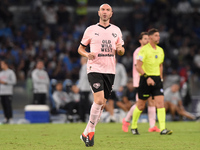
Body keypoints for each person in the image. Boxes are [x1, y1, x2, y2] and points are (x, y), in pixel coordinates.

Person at [78, 3, 125, 147]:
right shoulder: (91, 30)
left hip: (110, 70)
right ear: (99, 13)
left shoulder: (116, 30)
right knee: (98, 101)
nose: (105, 12)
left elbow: (122, 51)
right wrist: (87, 54)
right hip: (94, 68)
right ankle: (91, 132)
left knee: (102, 104)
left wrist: (120, 49)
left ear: (111, 14)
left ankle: (85, 133)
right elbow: (80, 48)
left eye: (108, 10)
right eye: (103, 10)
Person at [130, 28, 173, 135]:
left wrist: (161, 78)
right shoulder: (143, 50)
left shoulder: (160, 50)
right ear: (150, 37)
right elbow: (138, 66)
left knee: (160, 103)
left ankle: (163, 128)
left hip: (157, 79)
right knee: (140, 105)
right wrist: (146, 77)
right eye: (156, 35)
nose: (158, 37)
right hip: (145, 79)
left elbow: (160, 65)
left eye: (158, 35)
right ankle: (133, 126)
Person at [122, 32, 160, 132]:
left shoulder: (150, 51)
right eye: (145, 39)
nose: (147, 40)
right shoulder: (138, 51)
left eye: (148, 38)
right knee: (140, 104)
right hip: (140, 80)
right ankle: (126, 120)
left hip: (150, 80)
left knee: (152, 102)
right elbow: (137, 66)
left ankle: (152, 126)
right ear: (140, 40)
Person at [0, 60, 16, 124]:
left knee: (8, 105)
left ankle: (11, 118)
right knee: (4, 106)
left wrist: (5, 82)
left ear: (6, 64)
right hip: (1, 92)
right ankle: (6, 118)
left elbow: (14, 81)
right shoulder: (1, 73)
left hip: (8, 92)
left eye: (2, 64)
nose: (1, 65)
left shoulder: (11, 72)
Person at [77, 56, 91, 122]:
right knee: (86, 103)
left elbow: (82, 78)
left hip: (84, 88)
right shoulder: (87, 66)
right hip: (87, 88)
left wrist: (78, 87)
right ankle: (86, 117)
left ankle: (82, 118)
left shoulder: (84, 67)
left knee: (83, 104)